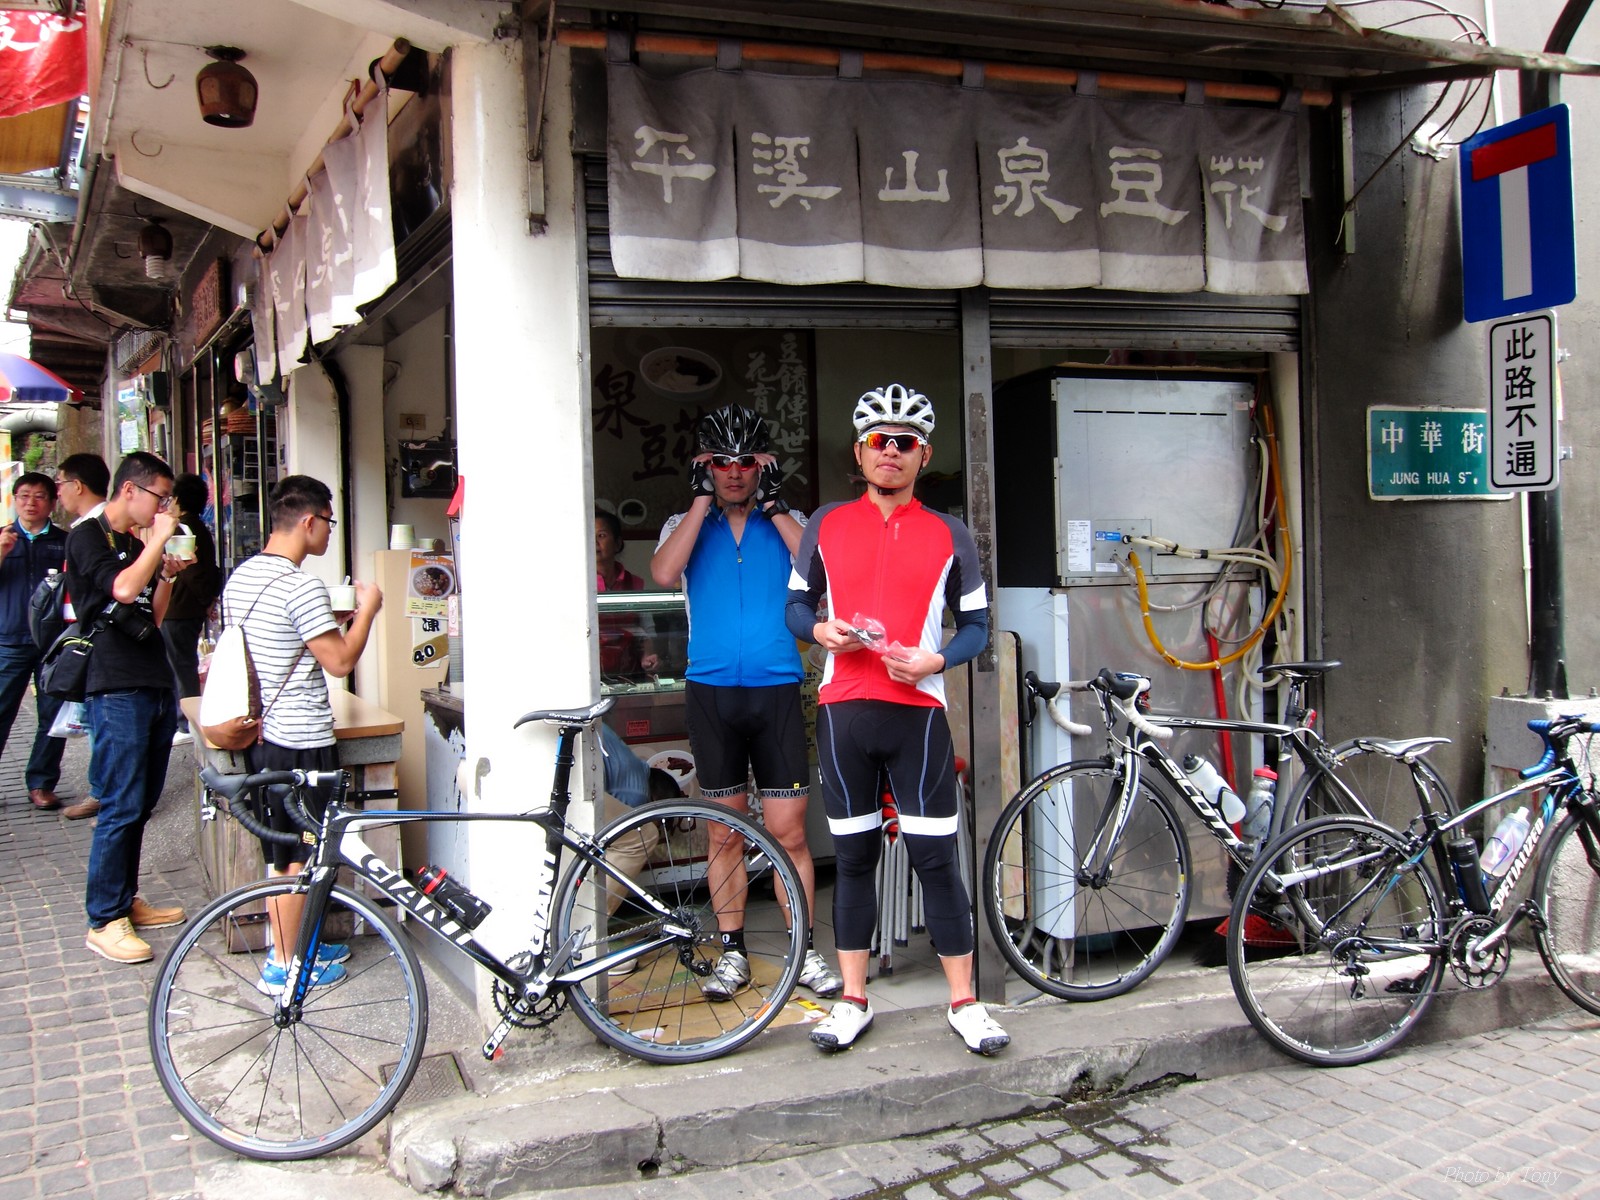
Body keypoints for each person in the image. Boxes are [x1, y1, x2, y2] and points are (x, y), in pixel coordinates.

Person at [786, 383, 1010, 1056]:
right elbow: (794, 607)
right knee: (853, 860)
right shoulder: (827, 523)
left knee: (936, 859)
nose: (891, 451)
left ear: (923, 455)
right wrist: (819, 631)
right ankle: (853, 1001)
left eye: (904, 442)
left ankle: (965, 1003)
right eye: (879, 441)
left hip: (919, 715)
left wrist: (935, 658)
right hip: (844, 713)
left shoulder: (950, 534)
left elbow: (978, 628)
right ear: (860, 453)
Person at [650, 404, 842, 1001]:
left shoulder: (790, 521)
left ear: (764, 465)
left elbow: (823, 569)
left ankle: (802, 951)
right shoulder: (685, 521)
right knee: (724, 833)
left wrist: (777, 505)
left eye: (745, 462)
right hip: (711, 693)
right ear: (705, 465)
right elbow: (664, 573)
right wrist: (699, 500)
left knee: (790, 834)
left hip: (778, 689)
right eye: (721, 462)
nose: (734, 473)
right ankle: (732, 953)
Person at [220, 475, 382, 993]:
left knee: (283, 852)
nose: (331, 532)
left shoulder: (242, 577)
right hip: (301, 740)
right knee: (298, 856)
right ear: (308, 521)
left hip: (264, 736)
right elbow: (340, 661)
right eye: (329, 522)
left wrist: (332, 621)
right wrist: (368, 611)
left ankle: (295, 946)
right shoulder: (300, 586)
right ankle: (285, 966)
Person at [66, 452, 192, 965]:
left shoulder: (133, 544)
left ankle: (125, 898)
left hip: (152, 677)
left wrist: (167, 576)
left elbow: (150, 613)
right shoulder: (87, 536)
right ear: (129, 490)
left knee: (140, 801)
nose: (163, 509)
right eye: (160, 498)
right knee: (120, 802)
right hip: (114, 683)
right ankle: (103, 919)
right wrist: (160, 539)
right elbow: (120, 588)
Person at [0, 473, 70, 810]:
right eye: (24, 496)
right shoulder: (3, 538)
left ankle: (41, 783)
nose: (31, 503)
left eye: (40, 496)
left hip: (52, 642)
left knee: (52, 714)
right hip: (8, 640)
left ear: (53, 503)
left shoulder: (65, 541)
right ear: (14, 500)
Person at [54, 453, 110, 822]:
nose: (57, 492)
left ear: (77, 485)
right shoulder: (88, 527)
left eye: (60, 484)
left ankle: (104, 793)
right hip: (86, 635)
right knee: (91, 717)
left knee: (97, 718)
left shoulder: (94, 529)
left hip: (96, 638)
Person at [161, 474, 222, 741]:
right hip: (188, 608)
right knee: (183, 663)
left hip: (179, 609)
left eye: (170, 498)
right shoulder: (199, 527)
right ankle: (185, 720)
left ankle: (186, 723)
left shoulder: (182, 529)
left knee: (181, 665)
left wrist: (206, 600)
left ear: (178, 499)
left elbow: (190, 571)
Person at [595, 510, 657, 678]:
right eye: (589, 536)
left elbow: (647, 628)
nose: (594, 542)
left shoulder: (634, 583)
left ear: (617, 543)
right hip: (591, 673)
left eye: (601, 535)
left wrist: (648, 656)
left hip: (629, 673)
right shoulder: (578, 584)